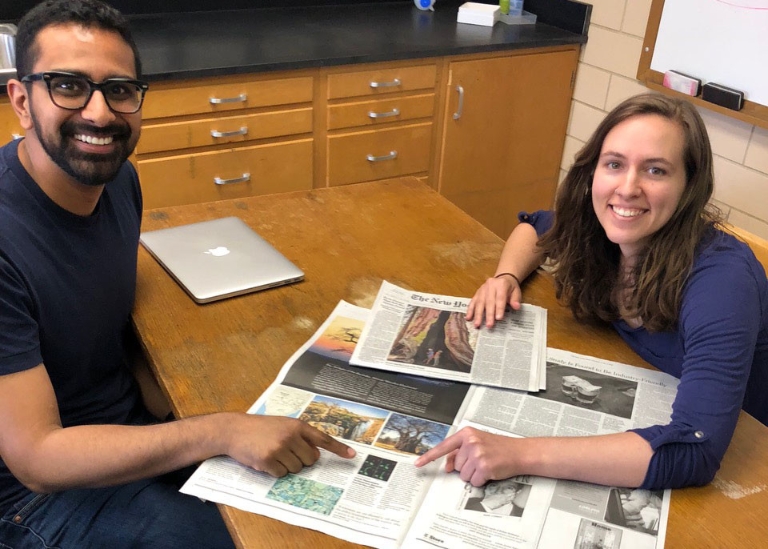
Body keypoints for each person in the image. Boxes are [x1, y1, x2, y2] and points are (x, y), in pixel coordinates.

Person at [0, 1, 354, 547]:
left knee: (310, 504)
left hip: (126, 428)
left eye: (119, 89)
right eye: (68, 86)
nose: (99, 113)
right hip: (33, 499)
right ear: (22, 100)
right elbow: (37, 459)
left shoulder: (118, 182)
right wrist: (220, 429)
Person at [416, 93, 768, 491]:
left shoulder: (723, 280)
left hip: (751, 455)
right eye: (615, 164)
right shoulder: (602, 227)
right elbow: (535, 226)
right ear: (593, 171)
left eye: (655, 170)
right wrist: (505, 278)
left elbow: (694, 451)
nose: (628, 188)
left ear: (689, 186)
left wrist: (519, 454)